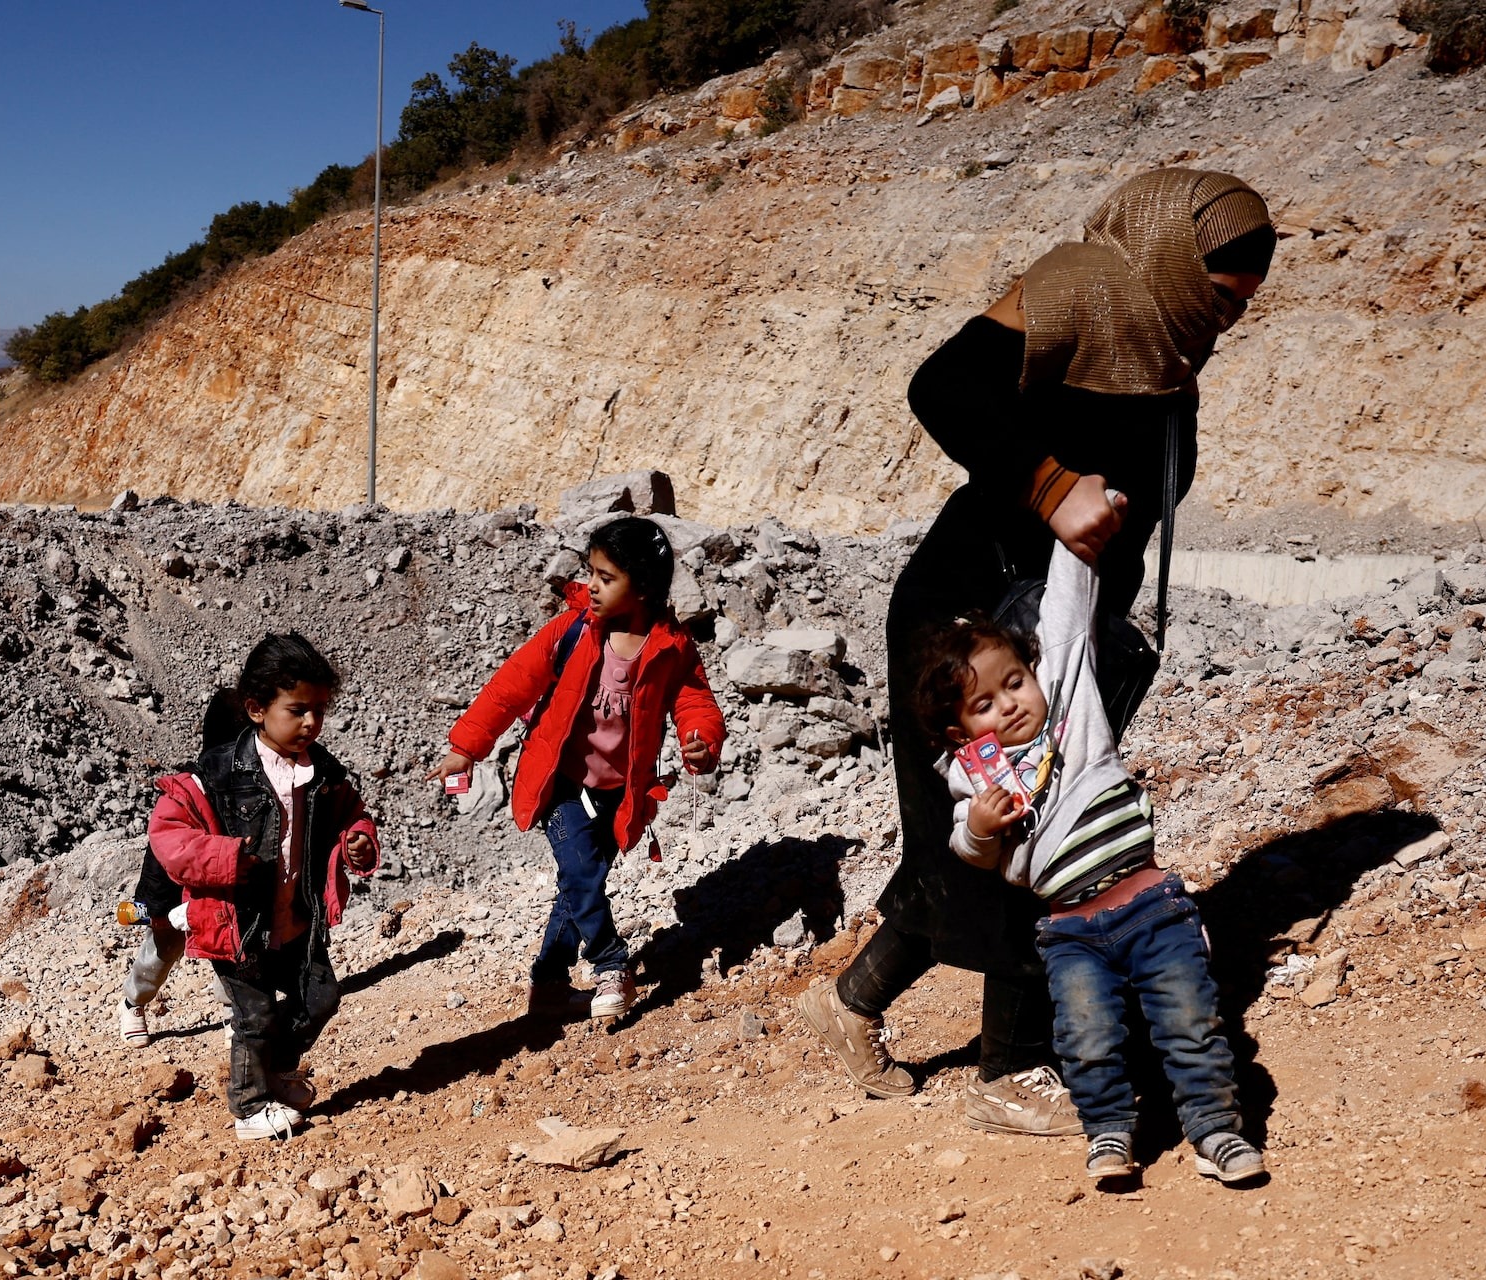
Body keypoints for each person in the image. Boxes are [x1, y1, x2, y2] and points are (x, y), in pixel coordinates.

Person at [797, 168, 1275, 1136]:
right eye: (1221, 300)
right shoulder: (1085, 288)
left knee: (999, 829)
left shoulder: (1172, 362)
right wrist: (1052, 484)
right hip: (971, 630)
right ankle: (1012, 1071)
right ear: (1182, 266)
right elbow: (942, 384)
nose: (1226, 322)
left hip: (1055, 636)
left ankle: (851, 1001)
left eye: (1240, 309)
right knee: (1011, 830)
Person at [913, 542, 1265, 1183]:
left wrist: (1072, 539)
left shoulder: (1073, 715)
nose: (1010, 703)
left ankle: (1216, 1129)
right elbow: (970, 848)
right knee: (1087, 1036)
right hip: (1072, 933)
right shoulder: (974, 783)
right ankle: (1108, 1132)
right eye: (985, 704)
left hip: (1151, 906)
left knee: (1189, 1017)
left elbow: (1070, 612)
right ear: (964, 733)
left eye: (1014, 681)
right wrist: (984, 830)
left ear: (1033, 670)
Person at [428, 516, 726, 1021]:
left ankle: (547, 983)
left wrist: (700, 741)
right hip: (561, 784)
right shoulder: (570, 631)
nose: (591, 585)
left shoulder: (671, 647)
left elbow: (695, 700)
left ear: (645, 587)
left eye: (606, 578)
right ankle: (612, 962)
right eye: (591, 572)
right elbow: (509, 689)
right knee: (582, 872)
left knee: (578, 885)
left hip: (621, 792)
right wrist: (467, 747)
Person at [148, 633, 378, 1141]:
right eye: (297, 710)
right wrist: (227, 858)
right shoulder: (215, 775)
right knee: (253, 1015)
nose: (312, 723)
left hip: (297, 918)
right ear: (256, 708)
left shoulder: (324, 772)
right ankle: (250, 1108)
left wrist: (357, 840)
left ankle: (275, 1070)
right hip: (237, 924)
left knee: (319, 998)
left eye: (320, 710)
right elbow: (168, 837)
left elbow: (351, 816)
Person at [117, 690, 246, 1048]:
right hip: (177, 886)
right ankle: (134, 1001)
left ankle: (234, 1013)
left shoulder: (250, 787)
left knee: (230, 949)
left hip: (220, 888)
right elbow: (164, 852)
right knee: (163, 948)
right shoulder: (188, 791)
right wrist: (156, 907)